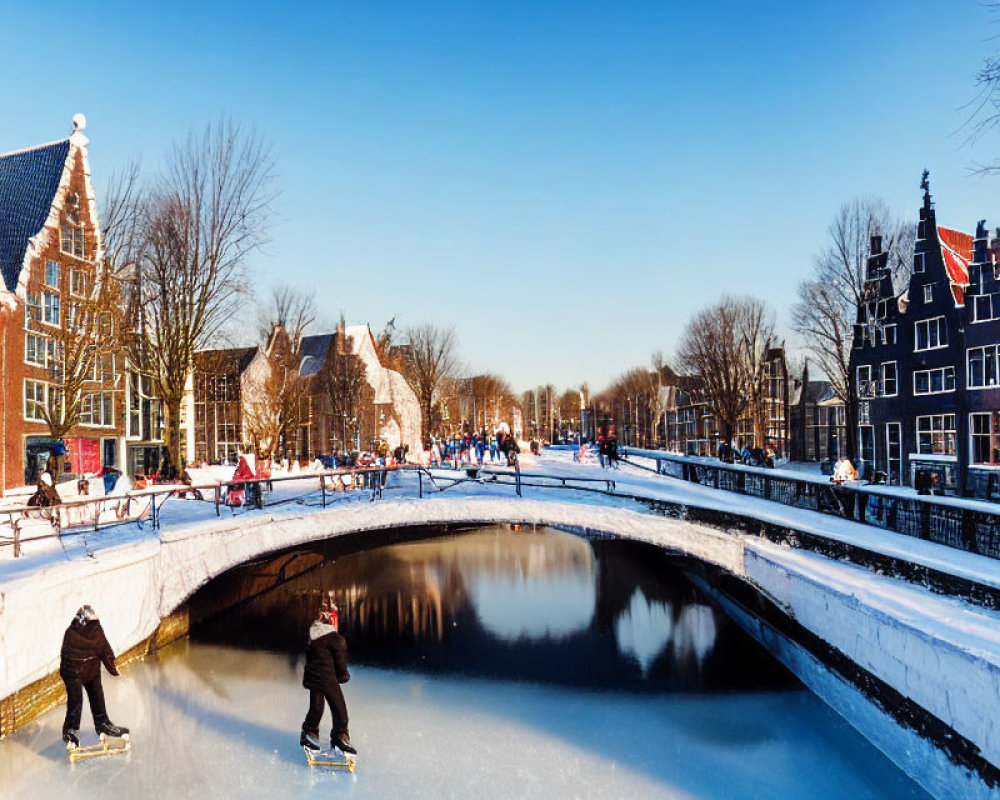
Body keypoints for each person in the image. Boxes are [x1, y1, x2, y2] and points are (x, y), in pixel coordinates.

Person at [59, 605, 128, 746]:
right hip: (73, 674)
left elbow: (105, 650)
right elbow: (66, 657)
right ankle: (70, 730)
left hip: (91, 671)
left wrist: (113, 668)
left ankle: (103, 724)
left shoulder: (96, 631)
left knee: (97, 696)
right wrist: (71, 674)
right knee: (75, 700)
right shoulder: (71, 634)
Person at [300, 603, 356, 755]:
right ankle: (340, 735)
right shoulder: (336, 639)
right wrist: (343, 676)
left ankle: (310, 733)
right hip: (327, 678)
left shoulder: (312, 634)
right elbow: (340, 662)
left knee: (316, 707)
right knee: (339, 709)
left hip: (313, 676)